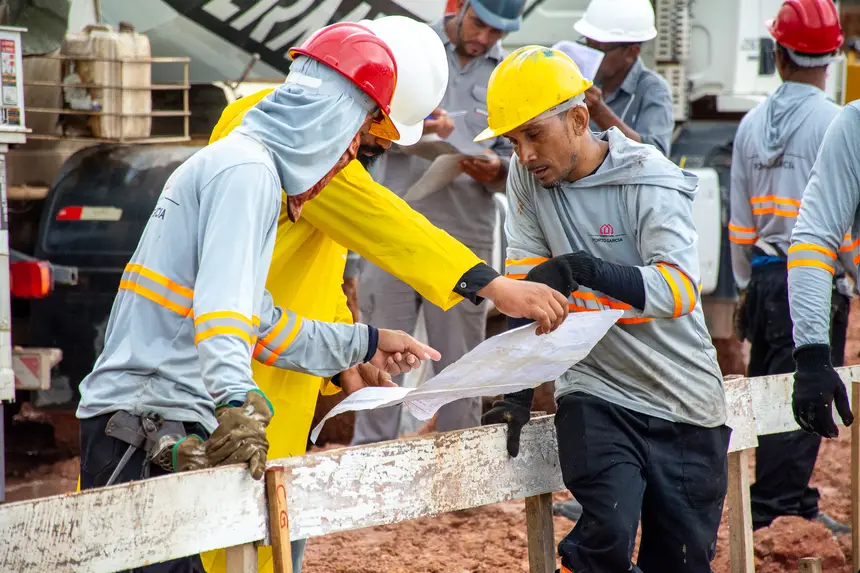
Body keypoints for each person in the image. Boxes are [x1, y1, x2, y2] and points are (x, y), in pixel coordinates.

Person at [198, 15, 569, 573]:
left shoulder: (298, 133)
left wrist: (346, 355)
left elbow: (315, 264)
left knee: (269, 532)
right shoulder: (278, 133)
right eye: (373, 134)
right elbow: (384, 222)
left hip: (273, 364)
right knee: (219, 541)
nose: (364, 149)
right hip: (232, 375)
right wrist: (493, 285)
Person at [76, 23, 444, 573]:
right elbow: (225, 311)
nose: (351, 156)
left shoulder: (247, 169)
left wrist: (365, 343)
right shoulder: (248, 173)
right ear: (331, 119)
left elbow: (259, 323)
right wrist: (236, 401)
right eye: (358, 136)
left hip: (155, 427)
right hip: (141, 427)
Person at [480, 46, 730, 573]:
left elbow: (679, 289)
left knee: (681, 562)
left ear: (578, 120)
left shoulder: (649, 177)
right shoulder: (527, 177)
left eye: (533, 135)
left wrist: (587, 269)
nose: (524, 155)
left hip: (683, 399)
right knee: (606, 538)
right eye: (513, 141)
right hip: (596, 390)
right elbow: (529, 290)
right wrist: (516, 391)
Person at [350, 0, 530, 446]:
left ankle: (460, 464)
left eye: (497, 32)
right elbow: (361, 125)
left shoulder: (508, 76)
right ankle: (370, 461)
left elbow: (523, 155)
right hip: (389, 227)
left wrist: (499, 170)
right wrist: (418, 129)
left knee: (459, 365)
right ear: (460, 6)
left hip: (464, 231)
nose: (484, 38)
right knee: (377, 356)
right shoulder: (407, 51)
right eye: (479, 24)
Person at [729, 0, 852, 534]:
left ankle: (790, 503)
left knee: (771, 393)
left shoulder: (751, 123)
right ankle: (776, 511)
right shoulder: (835, 121)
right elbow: (841, 227)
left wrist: (746, 285)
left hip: (762, 274)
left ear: (779, 54)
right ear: (833, 57)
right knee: (805, 392)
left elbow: (739, 222)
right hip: (811, 278)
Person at [569, 0, 675, 156]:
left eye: (599, 48)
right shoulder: (586, 79)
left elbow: (655, 156)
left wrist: (599, 112)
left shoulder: (653, 90)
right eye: (587, 44)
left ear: (631, 52)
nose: (590, 55)